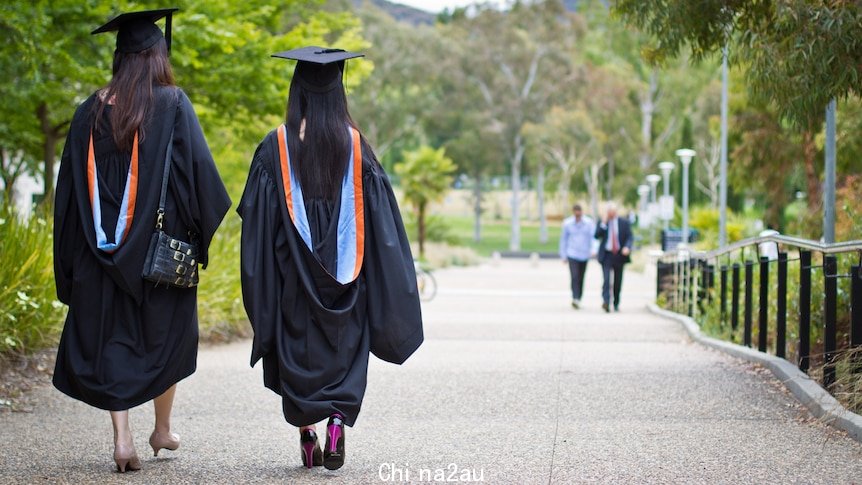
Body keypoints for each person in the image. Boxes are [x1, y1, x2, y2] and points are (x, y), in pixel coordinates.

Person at [52, 9, 231, 473]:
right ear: (157, 57)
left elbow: (68, 194)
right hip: (157, 254)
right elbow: (203, 182)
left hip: (98, 253)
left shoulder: (86, 112)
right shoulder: (171, 103)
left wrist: (70, 262)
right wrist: (196, 237)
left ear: (119, 57)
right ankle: (162, 429)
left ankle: (123, 438)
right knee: (165, 337)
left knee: (112, 340)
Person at [238, 46, 424, 471]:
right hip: (348, 285)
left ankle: (307, 435)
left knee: (296, 355)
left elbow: (257, 226)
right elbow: (382, 227)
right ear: (338, 92)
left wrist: (262, 283)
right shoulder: (357, 147)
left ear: (296, 91)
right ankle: (337, 420)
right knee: (343, 352)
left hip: (291, 286)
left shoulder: (275, 147)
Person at [594, 203, 633, 312]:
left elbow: (630, 236)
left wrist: (627, 247)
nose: (611, 213)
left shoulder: (624, 222)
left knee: (617, 281)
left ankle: (616, 302)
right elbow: (596, 235)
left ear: (616, 212)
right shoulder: (602, 222)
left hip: (620, 255)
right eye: (609, 211)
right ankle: (606, 301)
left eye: (613, 211)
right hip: (606, 255)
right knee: (606, 279)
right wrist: (604, 223)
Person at [559, 204, 595, 308]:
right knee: (574, 276)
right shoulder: (567, 223)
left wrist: (593, 249)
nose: (577, 215)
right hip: (572, 253)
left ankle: (579, 297)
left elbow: (593, 237)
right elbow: (563, 240)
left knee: (581, 277)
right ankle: (575, 297)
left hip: (584, 254)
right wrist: (563, 255)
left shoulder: (589, 223)